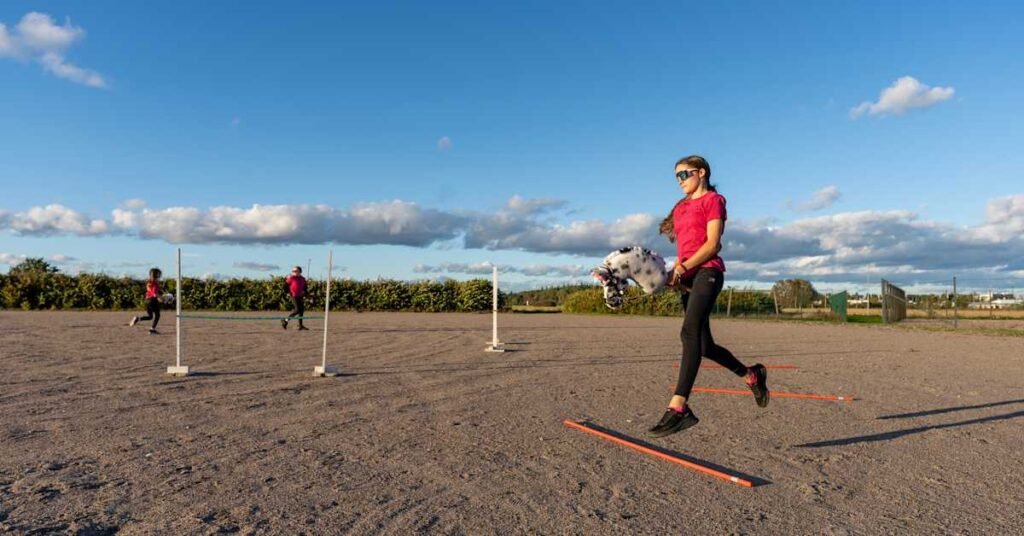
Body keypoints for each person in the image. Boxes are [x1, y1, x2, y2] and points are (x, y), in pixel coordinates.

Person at [649, 155, 769, 438]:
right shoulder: (680, 208)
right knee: (704, 346)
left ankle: (679, 408)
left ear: (701, 173)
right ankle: (751, 375)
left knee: (688, 333)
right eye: (676, 177)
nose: (679, 182)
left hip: (707, 272)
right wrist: (665, 274)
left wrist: (683, 268)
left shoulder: (713, 200)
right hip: (687, 277)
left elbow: (713, 245)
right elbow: (683, 248)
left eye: (684, 175)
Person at [129, 268, 163, 335]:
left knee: (150, 316)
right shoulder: (155, 283)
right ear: (157, 275)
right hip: (152, 300)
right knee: (157, 315)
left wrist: (158, 296)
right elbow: (154, 293)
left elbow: (151, 291)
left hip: (147, 300)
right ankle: (152, 330)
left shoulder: (149, 282)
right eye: (158, 274)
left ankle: (138, 319)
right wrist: (161, 298)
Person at [282, 266, 310, 331]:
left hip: (300, 296)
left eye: (295, 271)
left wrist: (306, 294)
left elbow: (305, 288)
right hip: (293, 296)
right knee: (297, 310)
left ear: (300, 272)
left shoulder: (303, 279)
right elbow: (285, 287)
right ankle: (285, 320)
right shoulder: (291, 278)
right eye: (293, 271)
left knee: (301, 310)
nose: (293, 272)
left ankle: (300, 325)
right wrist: (288, 293)